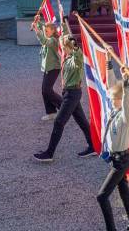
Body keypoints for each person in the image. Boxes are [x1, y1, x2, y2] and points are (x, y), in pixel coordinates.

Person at [33, 20, 94, 162]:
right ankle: (93, 146)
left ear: (69, 47)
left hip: (72, 94)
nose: (61, 48)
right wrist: (65, 24)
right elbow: (64, 36)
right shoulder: (66, 57)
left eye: (63, 46)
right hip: (68, 93)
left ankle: (49, 153)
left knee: (59, 122)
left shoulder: (75, 59)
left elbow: (77, 51)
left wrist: (72, 42)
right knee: (82, 122)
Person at [96, 54, 129, 231]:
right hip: (114, 158)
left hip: (121, 161)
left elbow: (126, 100)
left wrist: (126, 81)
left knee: (102, 196)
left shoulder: (126, 116)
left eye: (115, 99)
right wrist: (108, 61)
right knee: (124, 193)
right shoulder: (116, 109)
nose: (111, 100)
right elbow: (111, 86)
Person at [32, 15, 62, 121]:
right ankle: (51, 112)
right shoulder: (48, 37)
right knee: (45, 91)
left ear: (53, 31)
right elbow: (43, 36)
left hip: (54, 68)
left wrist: (36, 29)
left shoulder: (53, 40)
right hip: (47, 68)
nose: (45, 32)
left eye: (47, 30)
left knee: (47, 90)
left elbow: (44, 41)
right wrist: (38, 22)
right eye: (45, 30)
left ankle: (64, 107)